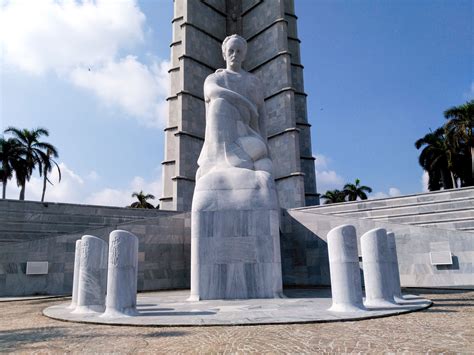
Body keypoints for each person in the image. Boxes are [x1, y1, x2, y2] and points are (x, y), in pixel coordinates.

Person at [196, 34, 273, 181]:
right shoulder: (215, 78)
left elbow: (261, 117)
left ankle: (235, 160)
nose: (234, 55)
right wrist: (246, 103)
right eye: (231, 51)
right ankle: (223, 160)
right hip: (220, 140)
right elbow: (212, 92)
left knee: (260, 150)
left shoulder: (253, 82)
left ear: (244, 55)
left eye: (239, 51)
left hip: (247, 138)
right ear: (224, 54)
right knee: (219, 103)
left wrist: (266, 147)